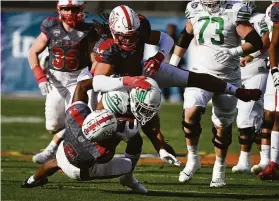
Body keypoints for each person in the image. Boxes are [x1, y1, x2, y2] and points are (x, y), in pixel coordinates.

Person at [169, 0, 263, 187]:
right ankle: (193, 159)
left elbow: (256, 41)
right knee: (191, 113)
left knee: (222, 124)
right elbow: (186, 36)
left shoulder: (235, 9)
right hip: (200, 73)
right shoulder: (193, 8)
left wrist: (234, 51)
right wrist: (172, 64)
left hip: (228, 76)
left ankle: (219, 167)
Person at [29, 0, 98, 164]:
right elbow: (33, 52)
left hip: (77, 81)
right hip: (56, 82)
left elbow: (94, 60)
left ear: (80, 9)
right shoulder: (50, 25)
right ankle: (63, 147)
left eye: (73, 8)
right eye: (66, 8)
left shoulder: (87, 30)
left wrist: (91, 79)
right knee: (52, 126)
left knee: (75, 119)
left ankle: (52, 150)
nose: (69, 12)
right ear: (59, 9)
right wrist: (40, 77)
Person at [232, 1, 269, 174]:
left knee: (245, 117)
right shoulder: (230, 19)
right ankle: (266, 159)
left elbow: (265, 41)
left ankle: (244, 161)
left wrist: (251, 56)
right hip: (239, 75)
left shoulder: (260, 18)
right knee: (257, 120)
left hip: (257, 72)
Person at [258, 0, 279, 180]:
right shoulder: (275, 8)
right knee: (273, 114)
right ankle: (272, 162)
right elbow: (272, 43)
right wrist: (275, 70)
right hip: (277, 66)